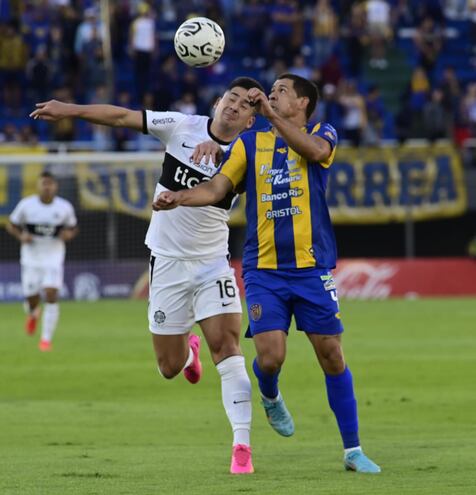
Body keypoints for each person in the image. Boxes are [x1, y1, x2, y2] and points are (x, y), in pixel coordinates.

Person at [29, 77, 266, 474]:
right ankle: (188, 351)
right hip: (168, 262)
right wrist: (70, 109)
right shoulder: (181, 125)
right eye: (232, 97)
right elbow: (121, 116)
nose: (236, 106)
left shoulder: (249, 152)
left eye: (246, 106)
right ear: (218, 101)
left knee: (228, 350)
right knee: (169, 368)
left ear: (249, 123)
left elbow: (218, 187)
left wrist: (190, 188)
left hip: (212, 262)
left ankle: (242, 446)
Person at [153, 73, 381, 474]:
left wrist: (273, 118)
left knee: (331, 355)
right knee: (270, 358)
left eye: (280, 92)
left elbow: (313, 151)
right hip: (264, 270)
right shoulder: (247, 143)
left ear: (303, 103)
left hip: (312, 267)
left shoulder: (320, 132)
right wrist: (179, 198)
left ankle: (353, 451)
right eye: (270, 91)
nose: (270, 95)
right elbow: (218, 188)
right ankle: (270, 395)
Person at [6, 171, 78, 352]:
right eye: (44, 183)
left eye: (50, 183)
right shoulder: (26, 205)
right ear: (38, 185)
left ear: (55, 186)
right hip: (31, 258)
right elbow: (11, 224)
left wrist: (68, 234)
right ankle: (32, 313)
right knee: (32, 298)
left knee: (51, 295)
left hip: (53, 258)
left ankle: (46, 340)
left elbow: (72, 228)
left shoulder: (64, 207)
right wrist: (21, 236)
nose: (47, 187)